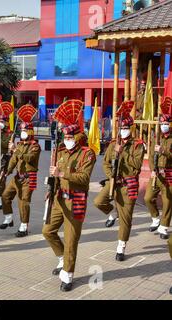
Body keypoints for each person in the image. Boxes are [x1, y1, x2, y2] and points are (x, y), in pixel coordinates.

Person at [42, 99, 96, 292]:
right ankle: (62, 258)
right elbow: (54, 173)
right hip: (58, 198)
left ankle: (68, 275)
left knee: (72, 240)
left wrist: (62, 174)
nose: (67, 139)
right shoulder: (60, 151)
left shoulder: (87, 154)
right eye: (65, 136)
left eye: (70, 136)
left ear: (78, 135)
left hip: (75, 201)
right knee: (47, 231)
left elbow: (83, 178)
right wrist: (50, 186)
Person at [94, 101, 145, 261]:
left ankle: (121, 247)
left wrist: (123, 153)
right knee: (98, 201)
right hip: (113, 181)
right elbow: (105, 162)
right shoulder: (113, 144)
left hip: (128, 184)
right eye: (121, 128)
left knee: (126, 218)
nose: (122, 131)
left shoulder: (138, 145)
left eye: (125, 128)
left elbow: (137, 165)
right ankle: (113, 212)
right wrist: (110, 175)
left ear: (130, 129)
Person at [0, 104, 40, 237]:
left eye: (25, 130)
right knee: (5, 196)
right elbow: (14, 159)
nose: (22, 132)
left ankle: (24, 226)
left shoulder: (36, 146)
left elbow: (29, 158)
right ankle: (8, 218)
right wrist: (7, 171)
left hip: (29, 178)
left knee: (23, 202)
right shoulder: (19, 144)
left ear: (30, 132)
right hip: (18, 176)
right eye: (21, 130)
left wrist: (16, 150)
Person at [144, 97, 172, 240]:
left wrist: (164, 151)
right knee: (148, 198)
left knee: (168, 201)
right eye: (162, 123)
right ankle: (155, 217)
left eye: (166, 123)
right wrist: (152, 169)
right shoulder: (156, 137)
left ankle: (164, 227)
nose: (164, 125)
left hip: (169, 173)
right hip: (156, 173)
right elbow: (150, 156)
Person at [0, 101, 14, 210]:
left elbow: (7, 144)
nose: (1, 123)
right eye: (0, 121)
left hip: (6, 158)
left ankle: (1, 199)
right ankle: (2, 197)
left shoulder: (10, 133)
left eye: (3, 121)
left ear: (7, 122)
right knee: (1, 179)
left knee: (1, 178)